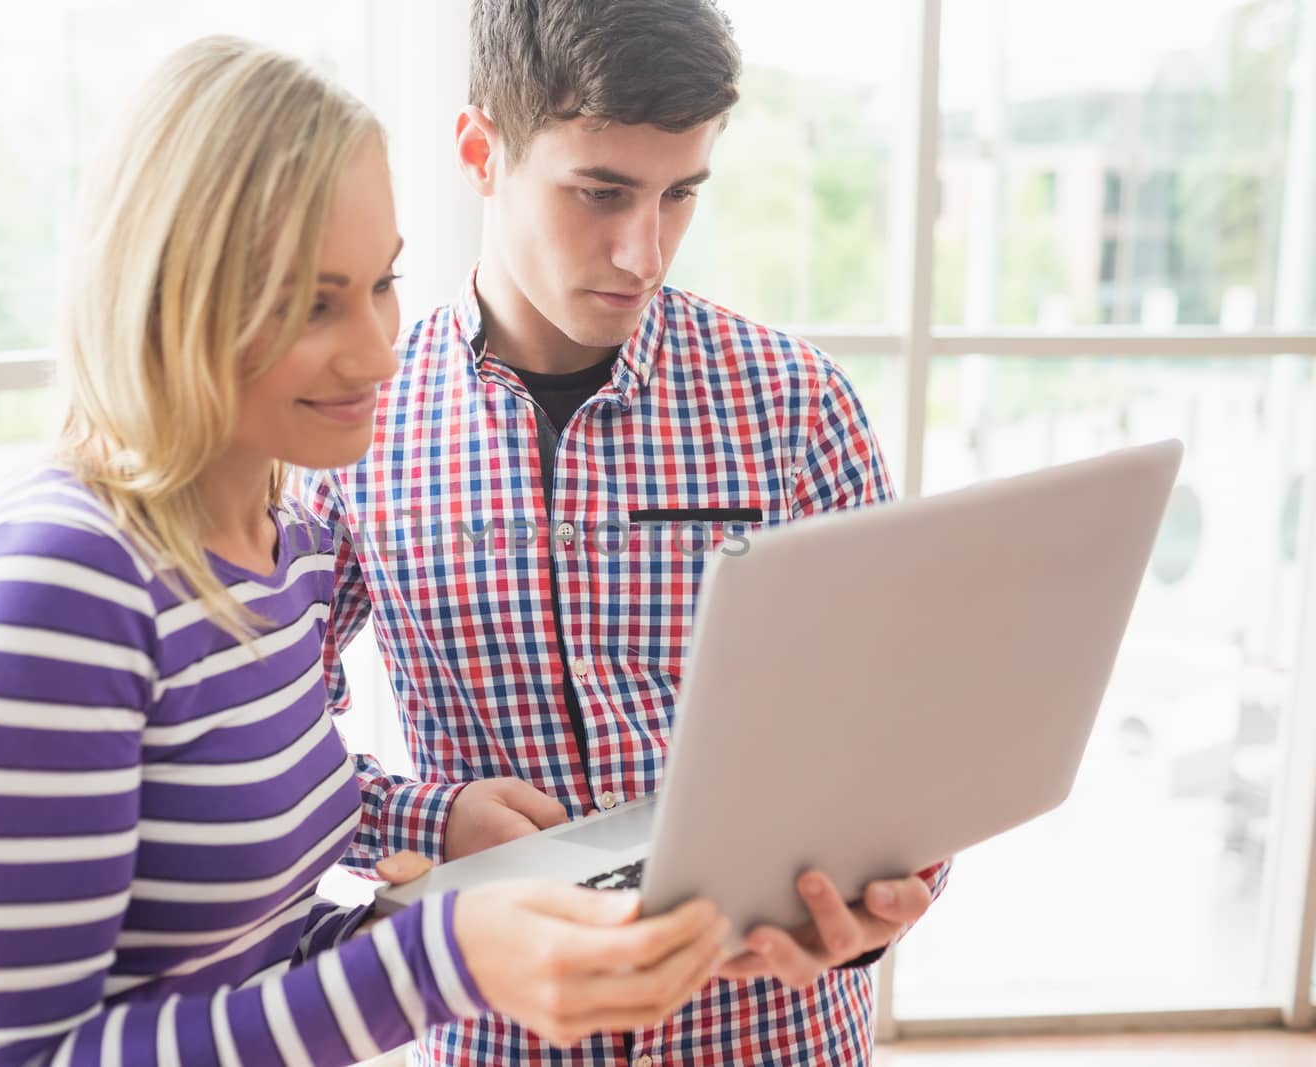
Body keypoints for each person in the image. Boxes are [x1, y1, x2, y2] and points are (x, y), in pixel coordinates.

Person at [0, 36, 733, 1067]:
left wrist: (459, 920)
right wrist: (439, 953)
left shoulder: (282, 548)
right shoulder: (48, 595)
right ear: (166, 295)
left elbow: (251, 958)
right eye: (312, 302)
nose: (383, 351)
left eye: (381, 282)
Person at [301, 1, 951, 1063]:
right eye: (598, 192)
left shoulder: (793, 404)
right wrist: (428, 817)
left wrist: (891, 891)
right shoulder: (357, 417)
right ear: (481, 152)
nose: (642, 251)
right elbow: (272, 744)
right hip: (501, 1035)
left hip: (770, 1026)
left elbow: (901, 724)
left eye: (679, 194)